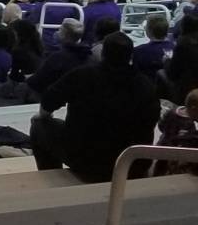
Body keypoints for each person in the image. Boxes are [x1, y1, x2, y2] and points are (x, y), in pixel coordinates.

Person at [31, 32, 161, 182]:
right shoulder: (146, 85)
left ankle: (54, 179)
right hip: (133, 164)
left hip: (87, 161)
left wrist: (44, 116)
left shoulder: (81, 76)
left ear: (103, 53)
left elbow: (48, 101)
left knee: (39, 125)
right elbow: (151, 122)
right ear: (130, 56)